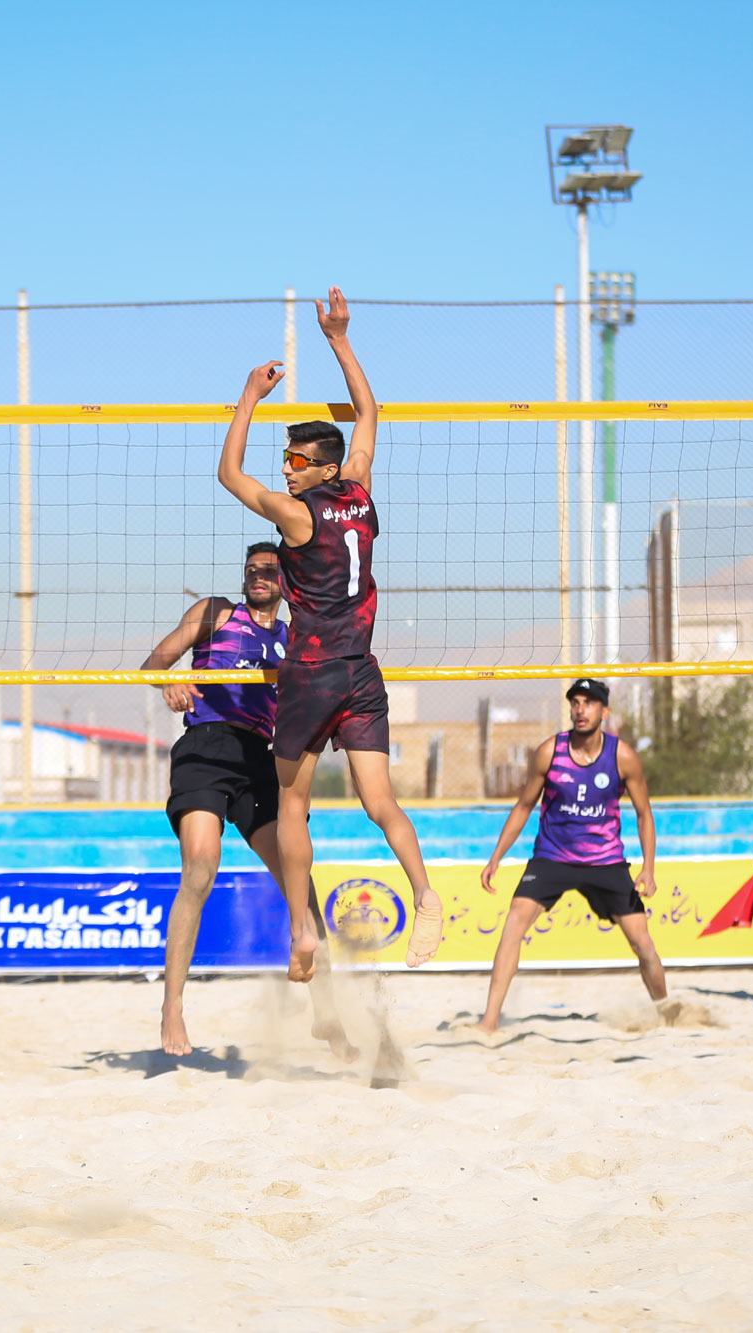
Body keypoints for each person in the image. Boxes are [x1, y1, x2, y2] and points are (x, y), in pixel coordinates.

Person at [216, 286, 441, 982]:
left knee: (291, 803)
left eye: (294, 460)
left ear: (320, 467)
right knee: (381, 802)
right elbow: (369, 413)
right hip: (362, 671)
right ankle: (425, 894)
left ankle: (302, 926)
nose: (286, 468)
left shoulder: (296, 514)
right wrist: (340, 339)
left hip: (311, 675)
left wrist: (248, 397)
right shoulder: (361, 488)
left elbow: (228, 474)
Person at [141, 542, 350, 1058]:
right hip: (206, 747)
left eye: (269, 570)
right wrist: (170, 680)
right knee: (200, 866)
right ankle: (172, 1007)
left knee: (301, 886)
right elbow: (153, 663)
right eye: (251, 569)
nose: (259, 575)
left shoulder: (295, 637)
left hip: (261, 758)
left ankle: (328, 1015)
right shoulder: (216, 613)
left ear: (286, 582)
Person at [474, 679, 666, 1033]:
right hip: (553, 857)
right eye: (575, 702)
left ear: (604, 712)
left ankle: (665, 1013)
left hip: (605, 860)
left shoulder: (622, 756)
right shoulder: (550, 751)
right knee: (514, 922)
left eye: (589, 703)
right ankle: (489, 1021)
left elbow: (644, 814)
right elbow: (524, 806)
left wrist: (648, 869)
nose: (580, 709)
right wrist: (496, 857)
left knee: (642, 942)